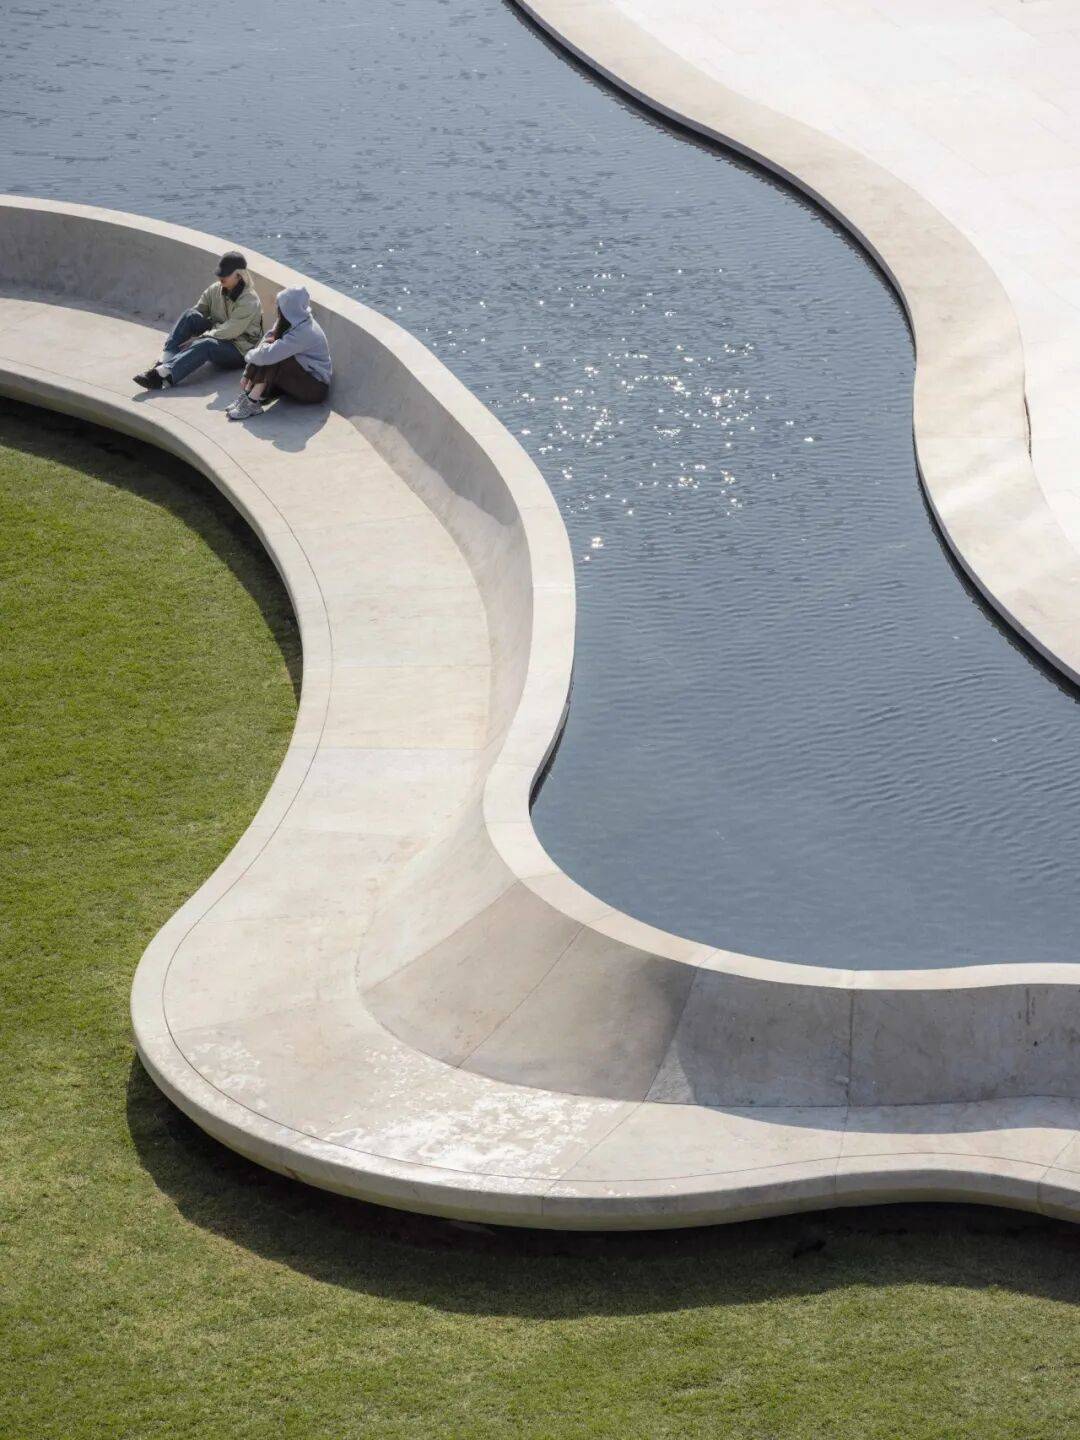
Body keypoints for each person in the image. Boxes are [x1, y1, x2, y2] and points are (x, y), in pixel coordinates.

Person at [133, 250, 263, 391]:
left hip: (239, 351)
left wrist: (201, 337)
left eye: (225, 273)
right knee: (190, 315)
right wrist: (193, 331)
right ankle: (164, 359)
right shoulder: (215, 289)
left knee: (207, 343)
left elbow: (231, 330)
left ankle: (166, 375)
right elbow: (199, 311)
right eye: (220, 272)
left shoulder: (249, 300)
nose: (220, 276)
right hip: (218, 336)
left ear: (239, 275)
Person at [226, 286, 332, 420]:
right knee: (269, 348)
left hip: (314, 388)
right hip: (297, 378)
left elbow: (268, 355)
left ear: (290, 307)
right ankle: (249, 395)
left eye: (280, 305)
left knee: (275, 356)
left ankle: (252, 402)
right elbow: (265, 342)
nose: (277, 307)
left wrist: (249, 357)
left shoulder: (305, 331)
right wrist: (248, 370)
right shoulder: (290, 320)